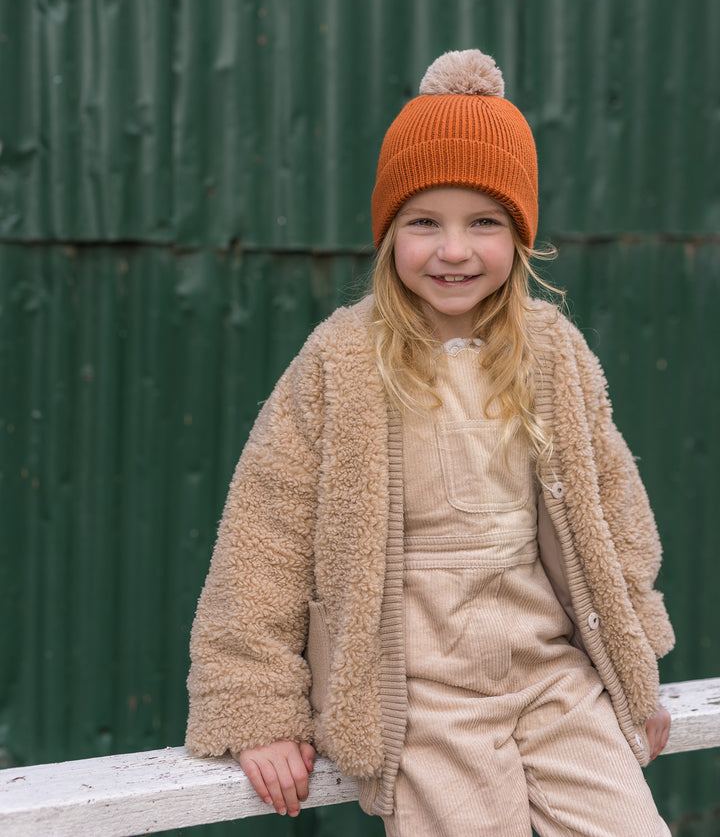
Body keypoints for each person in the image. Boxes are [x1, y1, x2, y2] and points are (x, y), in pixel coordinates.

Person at [185, 50, 675, 836]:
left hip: (553, 673)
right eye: (425, 222)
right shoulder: (340, 363)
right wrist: (260, 703)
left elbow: (614, 511)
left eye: (483, 221)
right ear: (389, 233)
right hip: (420, 688)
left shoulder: (553, 354)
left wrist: (634, 667)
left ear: (519, 235)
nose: (454, 250)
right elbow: (261, 539)